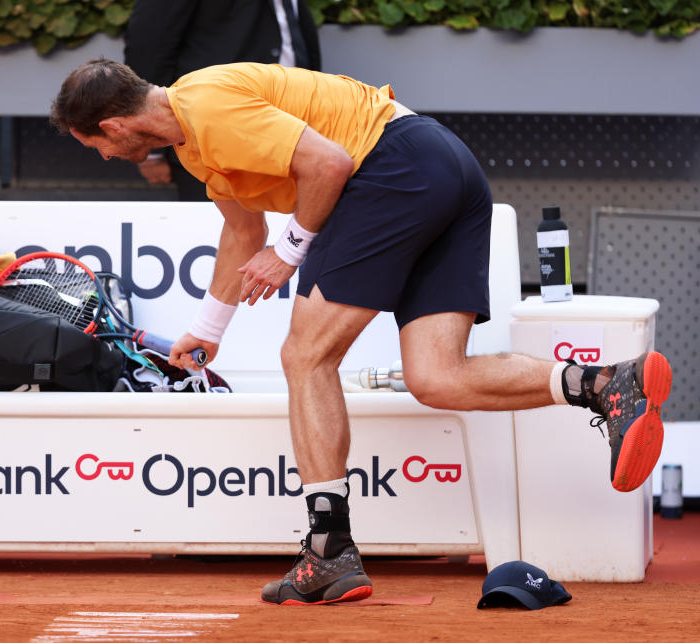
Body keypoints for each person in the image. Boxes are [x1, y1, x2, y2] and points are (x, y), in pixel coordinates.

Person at [48, 59, 673, 605]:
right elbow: (243, 236)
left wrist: (291, 251)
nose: (101, 155)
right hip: (442, 166)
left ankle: (328, 551)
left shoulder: (204, 103)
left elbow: (329, 164)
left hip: (393, 168)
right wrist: (208, 330)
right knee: (437, 377)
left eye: (91, 144)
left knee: (305, 356)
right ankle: (605, 385)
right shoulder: (194, 143)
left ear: (114, 126)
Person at [123, 0, 320, 201]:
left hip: (292, 128)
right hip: (212, 134)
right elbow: (149, 43)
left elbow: (291, 31)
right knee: (219, 228)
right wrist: (151, 145)